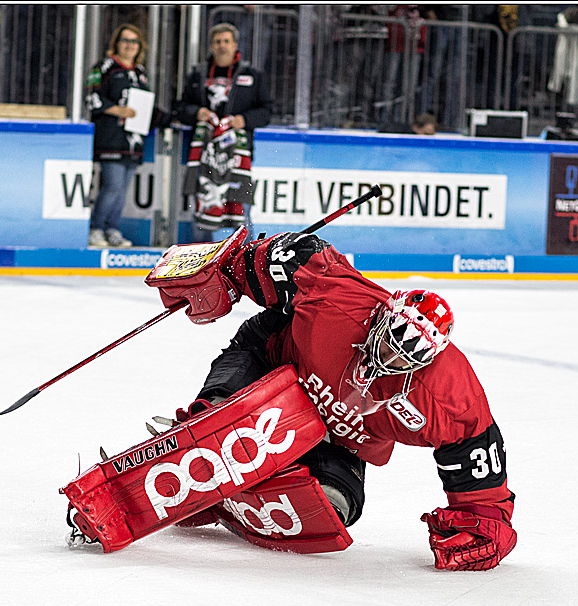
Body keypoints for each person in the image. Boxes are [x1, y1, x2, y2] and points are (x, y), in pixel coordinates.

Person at [165, 229, 517, 571]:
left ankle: (227, 498)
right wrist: (231, 272)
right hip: (272, 361)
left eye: (404, 360)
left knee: (334, 507)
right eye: (390, 342)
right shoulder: (340, 301)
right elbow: (300, 254)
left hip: (333, 438)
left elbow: (474, 445)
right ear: (384, 318)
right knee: (219, 422)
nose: (389, 360)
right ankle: (200, 434)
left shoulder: (445, 395)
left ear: (428, 360)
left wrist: (484, 521)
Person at [175, 22, 273, 242]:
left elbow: (267, 111)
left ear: (235, 45)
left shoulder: (252, 75)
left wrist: (244, 119)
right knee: (203, 209)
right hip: (204, 156)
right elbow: (180, 108)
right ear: (211, 45)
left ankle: (248, 262)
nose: (222, 46)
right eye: (218, 42)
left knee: (241, 210)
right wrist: (196, 112)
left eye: (226, 41)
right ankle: (200, 265)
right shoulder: (198, 74)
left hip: (238, 156)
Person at [85, 24, 164, 248]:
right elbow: (91, 97)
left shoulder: (140, 73)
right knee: (112, 185)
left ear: (140, 47)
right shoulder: (105, 66)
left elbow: (145, 107)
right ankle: (96, 228)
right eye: (125, 40)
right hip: (111, 139)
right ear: (116, 43)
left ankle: (112, 228)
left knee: (122, 189)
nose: (129, 45)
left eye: (134, 41)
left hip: (134, 141)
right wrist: (117, 110)